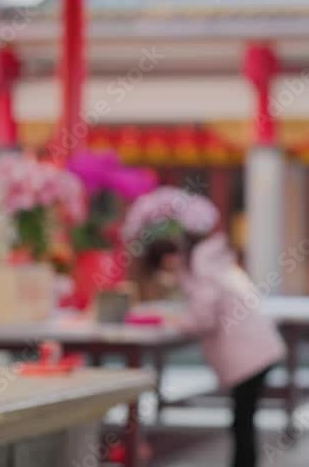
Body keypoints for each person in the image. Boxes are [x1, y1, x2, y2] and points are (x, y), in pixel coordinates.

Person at [124, 189, 286, 467]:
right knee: (243, 421)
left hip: (250, 355)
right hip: (259, 351)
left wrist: (171, 320)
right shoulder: (212, 261)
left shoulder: (201, 268)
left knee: (242, 423)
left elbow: (204, 319)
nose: (168, 270)